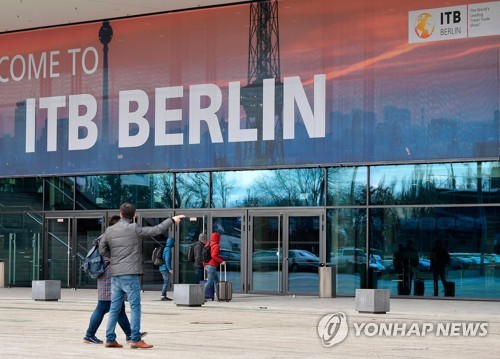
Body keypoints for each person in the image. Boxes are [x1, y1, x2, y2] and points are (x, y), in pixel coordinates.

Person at [99, 202, 184, 349]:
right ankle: (135, 339)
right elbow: (156, 230)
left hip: (116, 274)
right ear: (134, 216)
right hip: (130, 273)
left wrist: (114, 258)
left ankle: (110, 338)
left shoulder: (110, 230)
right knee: (135, 306)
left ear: (120, 214)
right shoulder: (134, 228)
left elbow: (102, 250)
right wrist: (172, 220)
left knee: (114, 307)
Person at [83, 215, 148, 344]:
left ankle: (130, 335)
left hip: (107, 275)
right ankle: (89, 335)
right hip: (109, 275)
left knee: (118, 308)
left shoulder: (105, 236)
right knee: (103, 306)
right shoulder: (111, 237)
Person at [203, 232, 225, 300]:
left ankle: (218, 296)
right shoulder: (216, 246)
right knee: (209, 282)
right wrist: (221, 261)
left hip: (207, 265)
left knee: (216, 281)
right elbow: (214, 256)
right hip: (212, 266)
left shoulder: (207, 244)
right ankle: (200, 295)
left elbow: (203, 255)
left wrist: (204, 264)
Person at [160, 237, 175, 301]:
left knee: (166, 282)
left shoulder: (165, 248)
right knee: (166, 282)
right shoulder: (168, 249)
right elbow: (167, 260)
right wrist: (170, 269)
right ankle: (163, 296)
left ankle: (164, 295)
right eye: (173, 242)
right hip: (165, 268)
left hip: (162, 267)